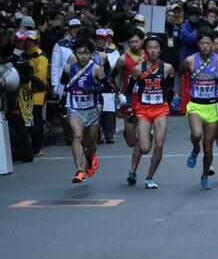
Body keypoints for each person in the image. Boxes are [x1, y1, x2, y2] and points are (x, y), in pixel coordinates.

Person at [179, 28, 218, 190]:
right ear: (198, 44)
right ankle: (195, 149)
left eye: (208, 43)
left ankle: (204, 175)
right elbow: (178, 74)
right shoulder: (190, 60)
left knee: (208, 147)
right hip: (195, 105)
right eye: (202, 43)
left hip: (212, 106)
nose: (205, 46)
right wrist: (175, 94)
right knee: (196, 134)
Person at [128, 35, 175, 189]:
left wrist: (169, 101)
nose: (153, 51)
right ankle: (133, 170)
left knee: (159, 145)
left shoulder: (167, 68)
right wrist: (129, 106)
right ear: (145, 49)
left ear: (161, 50)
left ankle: (149, 177)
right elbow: (129, 90)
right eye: (150, 48)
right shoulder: (137, 69)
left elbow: (170, 87)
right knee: (144, 148)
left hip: (160, 109)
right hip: (143, 110)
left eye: (156, 48)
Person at [60, 39, 110, 183]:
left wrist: (93, 88)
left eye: (86, 53)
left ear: (91, 54)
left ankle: (90, 159)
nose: (83, 56)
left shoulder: (96, 69)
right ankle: (79, 171)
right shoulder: (69, 68)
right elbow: (64, 83)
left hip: (92, 110)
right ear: (75, 54)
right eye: (80, 53)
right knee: (77, 135)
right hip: (75, 109)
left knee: (91, 145)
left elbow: (107, 87)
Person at [112, 28, 148, 186]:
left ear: (142, 41)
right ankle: (132, 135)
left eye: (137, 41)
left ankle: (132, 171)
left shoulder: (150, 55)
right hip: (129, 100)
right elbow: (112, 76)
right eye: (131, 42)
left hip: (146, 99)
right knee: (131, 141)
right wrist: (117, 92)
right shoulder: (122, 59)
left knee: (141, 139)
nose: (134, 44)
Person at [23, 31, 48, 156]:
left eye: (31, 41)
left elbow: (39, 77)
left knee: (35, 119)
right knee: (29, 120)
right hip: (24, 94)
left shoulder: (40, 57)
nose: (28, 43)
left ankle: (37, 146)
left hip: (37, 94)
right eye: (27, 40)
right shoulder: (24, 55)